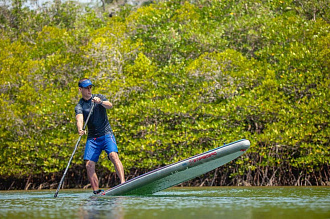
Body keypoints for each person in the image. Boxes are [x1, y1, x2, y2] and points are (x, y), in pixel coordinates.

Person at [75, 78, 125, 195]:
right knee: (89, 164)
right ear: (80, 89)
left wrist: (100, 102)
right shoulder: (80, 105)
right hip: (93, 139)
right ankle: (96, 191)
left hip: (106, 134)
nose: (89, 90)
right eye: (86, 88)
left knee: (113, 155)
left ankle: (123, 183)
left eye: (90, 87)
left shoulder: (99, 97)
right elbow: (79, 118)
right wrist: (80, 129)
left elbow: (110, 105)